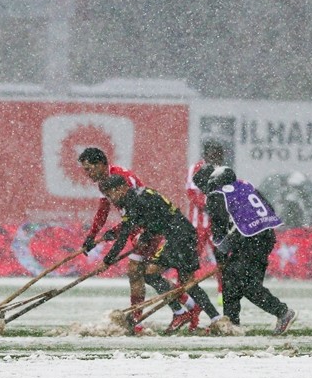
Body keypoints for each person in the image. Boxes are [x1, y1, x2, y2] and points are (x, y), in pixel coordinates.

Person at [99, 175, 221, 333]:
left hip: (178, 237)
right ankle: (216, 318)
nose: (111, 199)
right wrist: (142, 235)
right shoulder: (140, 195)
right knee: (188, 283)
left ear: (122, 188)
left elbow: (126, 234)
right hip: (185, 234)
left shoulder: (133, 201)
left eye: (111, 194)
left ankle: (181, 313)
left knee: (150, 274)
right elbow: (154, 220)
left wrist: (107, 261)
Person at [193, 165, 296, 335]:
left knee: (245, 285)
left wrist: (222, 255)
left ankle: (282, 312)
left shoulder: (216, 196)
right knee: (231, 282)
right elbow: (267, 207)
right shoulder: (245, 185)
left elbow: (219, 233)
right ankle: (232, 324)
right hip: (265, 235)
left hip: (248, 239)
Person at [78, 147, 162, 327]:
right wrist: (91, 237)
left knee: (140, 271)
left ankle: (141, 317)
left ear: (100, 164)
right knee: (137, 273)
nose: (87, 174)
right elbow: (103, 212)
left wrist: (108, 259)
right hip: (134, 225)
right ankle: (138, 317)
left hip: (148, 226)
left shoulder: (123, 178)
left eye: (89, 169)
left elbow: (136, 212)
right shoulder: (103, 182)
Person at [186, 140, 226, 291]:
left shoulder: (224, 170)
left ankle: (223, 293)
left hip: (218, 223)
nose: (217, 157)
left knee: (222, 258)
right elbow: (192, 193)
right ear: (207, 154)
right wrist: (209, 205)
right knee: (191, 259)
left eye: (220, 154)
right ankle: (187, 291)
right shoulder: (196, 168)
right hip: (198, 223)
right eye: (214, 154)